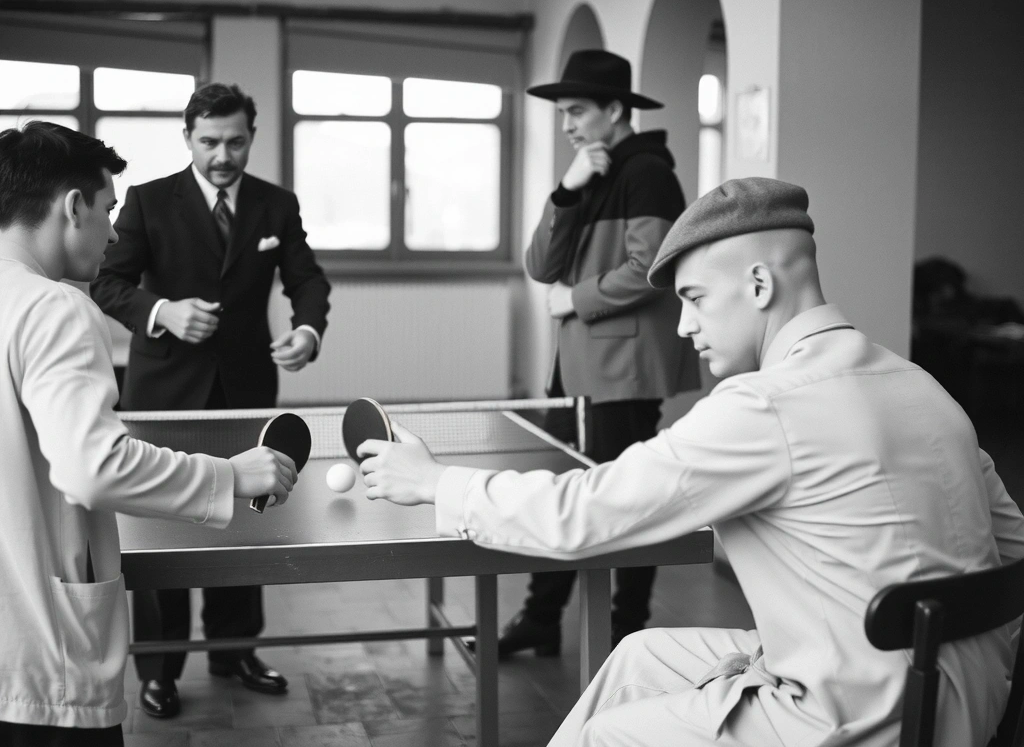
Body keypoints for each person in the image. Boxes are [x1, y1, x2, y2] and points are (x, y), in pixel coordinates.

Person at [357, 177, 1024, 746]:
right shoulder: (920, 385)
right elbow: (1013, 546)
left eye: (695, 297)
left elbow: (586, 513)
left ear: (759, 284)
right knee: (640, 654)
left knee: (599, 738)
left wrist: (433, 481)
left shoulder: (768, 405)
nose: (681, 325)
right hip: (953, 693)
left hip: (858, 718)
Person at [0, 121, 297, 747]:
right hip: (38, 667)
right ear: (72, 206)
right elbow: (93, 466)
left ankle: (231, 650)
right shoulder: (52, 307)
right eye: (106, 209)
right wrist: (232, 475)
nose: (111, 232)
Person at [90, 83, 331, 718]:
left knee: (248, 523)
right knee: (162, 528)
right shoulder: (145, 201)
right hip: (164, 395)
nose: (223, 154)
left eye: (236, 141)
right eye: (209, 141)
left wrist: (306, 330)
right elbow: (106, 281)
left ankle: (233, 651)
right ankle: (160, 668)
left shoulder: (276, 205)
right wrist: (162, 310)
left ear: (251, 136)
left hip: (248, 393)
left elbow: (306, 279)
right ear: (188, 137)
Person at [501, 49, 699, 658]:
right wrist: (565, 190)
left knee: (624, 502)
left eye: (578, 110)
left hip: (624, 373)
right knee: (568, 492)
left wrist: (574, 301)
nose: (566, 124)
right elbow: (541, 266)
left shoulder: (647, 174)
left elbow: (654, 268)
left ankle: (627, 624)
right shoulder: (592, 175)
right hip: (581, 368)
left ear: (616, 110)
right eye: (562, 113)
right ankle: (542, 616)